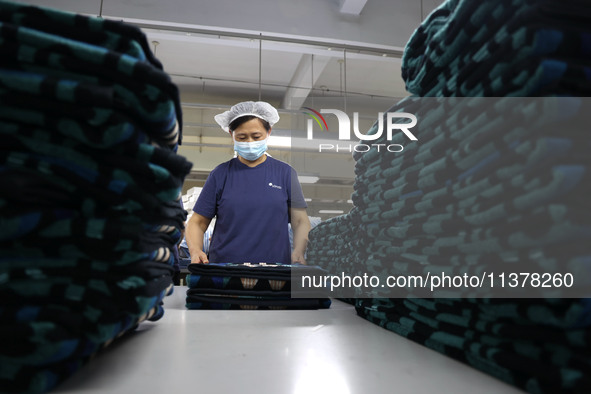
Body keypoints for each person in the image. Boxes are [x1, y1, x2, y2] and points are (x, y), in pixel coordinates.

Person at [185, 101, 311, 265]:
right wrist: (195, 250)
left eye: (256, 136)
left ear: (268, 132)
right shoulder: (220, 174)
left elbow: (300, 221)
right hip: (225, 271)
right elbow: (197, 222)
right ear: (231, 135)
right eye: (241, 137)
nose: (250, 142)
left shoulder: (286, 174)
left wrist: (299, 251)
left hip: (274, 271)